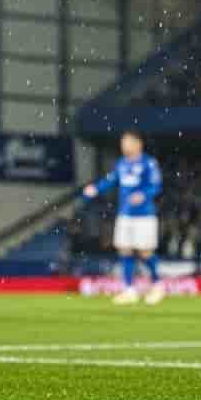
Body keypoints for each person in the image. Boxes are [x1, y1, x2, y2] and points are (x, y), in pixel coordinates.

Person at [83, 130, 165, 305]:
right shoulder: (122, 163)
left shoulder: (149, 163)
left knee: (145, 252)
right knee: (124, 249)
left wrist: (143, 194)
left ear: (138, 144)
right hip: (125, 214)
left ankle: (157, 285)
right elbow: (111, 180)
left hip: (144, 215)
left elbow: (156, 185)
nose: (124, 145)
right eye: (123, 142)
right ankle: (129, 290)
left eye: (127, 142)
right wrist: (96, 188)